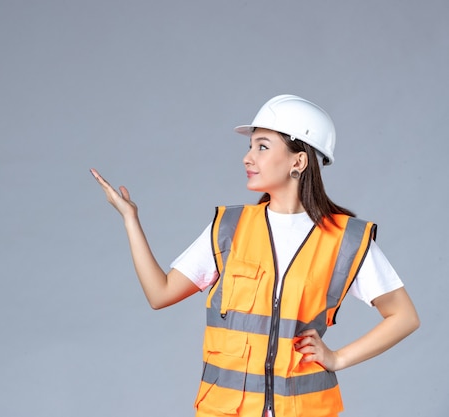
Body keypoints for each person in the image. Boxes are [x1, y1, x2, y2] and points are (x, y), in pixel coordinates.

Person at [90, 94, 419, 417]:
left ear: (298, 161)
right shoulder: (230, 228)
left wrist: (338, 359)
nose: (248, 158)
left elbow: (404, 317)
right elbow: (159, 293)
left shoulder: (344, 239)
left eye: (262, 146)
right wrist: (131, 220)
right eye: (250, 147)